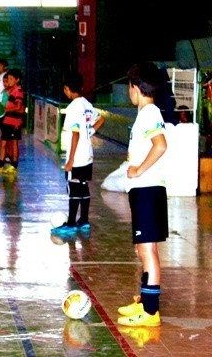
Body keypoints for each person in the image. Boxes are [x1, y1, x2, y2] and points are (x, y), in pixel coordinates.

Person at [117, 62, 168, 327]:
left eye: (129, 86)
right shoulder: (146, 113)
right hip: (143, 191)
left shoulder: (149, 112)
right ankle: (144, 301)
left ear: (135, 88)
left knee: (148, 250)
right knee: (142, 249)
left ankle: (150, 312)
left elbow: (160, 145)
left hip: (147, 189)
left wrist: (138, 170)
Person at [51, 72, 104, 236]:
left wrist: (70, 160)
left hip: (77, 156)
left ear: (67, 89)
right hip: (87, 154)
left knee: (73, 188)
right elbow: (101, 118)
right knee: (83, 185)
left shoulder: (73, 107)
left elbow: (75, 134)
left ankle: (72, 222)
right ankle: (84, 220)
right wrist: (90, 131)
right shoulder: (86, 104)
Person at [0, 68, 26, 175]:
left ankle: (14, 165)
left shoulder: (18, 92)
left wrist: (5, 109)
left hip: (14, 122)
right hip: (7, 120)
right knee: (4, 142)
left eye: (11, 79)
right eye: (8, 79)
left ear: (17, 80)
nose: (8, 81)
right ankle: (0, 163)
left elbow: (18, 107)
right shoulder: (10, 91)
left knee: (13, 143)